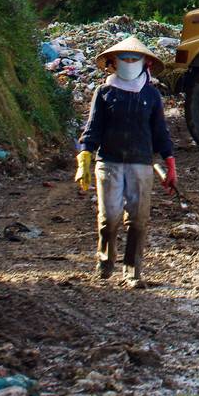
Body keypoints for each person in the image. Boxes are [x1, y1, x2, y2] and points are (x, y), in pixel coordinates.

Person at [75, 36, 176, 287]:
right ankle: (105, 259)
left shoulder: (151, 95)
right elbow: (92, 129)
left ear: (145, 63)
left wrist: (170, 164)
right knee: (109, 217)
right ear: (113, 63)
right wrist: (84, 158)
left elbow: (160, 132)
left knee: (138, 219)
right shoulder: (104, 92)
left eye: (134, 58)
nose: (130, 62)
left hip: (141, 163)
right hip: (108, 162)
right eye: (124, 58)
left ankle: (132, 270)